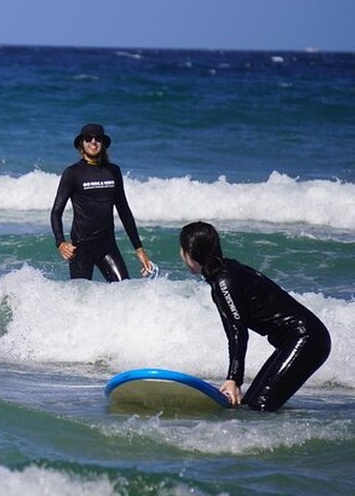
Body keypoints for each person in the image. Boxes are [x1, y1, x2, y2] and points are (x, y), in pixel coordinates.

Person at [179, 221, 331, 411]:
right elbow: (234, 332)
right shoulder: (224, 273)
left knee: (260, 406)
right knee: (251, 404)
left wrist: (233, 379)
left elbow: (238, 333)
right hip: (298, 340)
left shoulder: (224, 281)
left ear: (190, 253)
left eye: (182, 249)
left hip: (307, 339)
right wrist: (236, 379)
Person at [50, 123, 153, 281]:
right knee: (81, 298)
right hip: (81, 248)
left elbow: (124, 211)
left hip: (108, 246)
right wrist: (61, 243)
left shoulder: (113, 171)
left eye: (98, 138)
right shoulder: (72, 173)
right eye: (88, 138)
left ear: (103, 143)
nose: (93, 141)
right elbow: (56, 212)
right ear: (81, 144)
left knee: (123, 290)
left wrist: (139, 249)